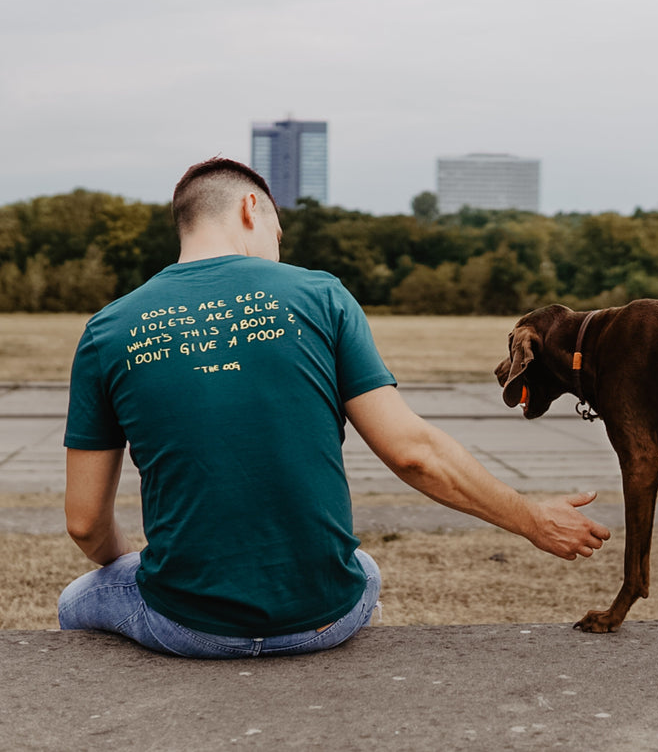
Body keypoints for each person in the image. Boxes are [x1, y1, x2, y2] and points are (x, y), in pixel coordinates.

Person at [58, 157, 610, 658]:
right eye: (278, 233)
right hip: (327, 619)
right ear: (252, 208)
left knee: (77, 599)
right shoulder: (322, 295)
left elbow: (85, 524)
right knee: (363, 567)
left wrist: (133, 564)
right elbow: (413, 453)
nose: (279, 250)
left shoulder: (108, 329)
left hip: (187, 626)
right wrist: (532, 520)